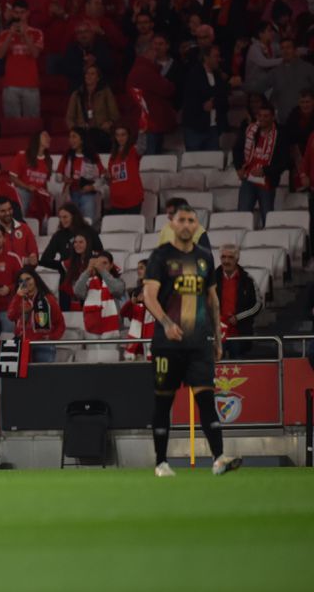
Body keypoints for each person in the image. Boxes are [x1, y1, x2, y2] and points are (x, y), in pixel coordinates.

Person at [142, 204, 239, 477]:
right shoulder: (160, 257)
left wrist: (218, 340)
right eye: (181, 220)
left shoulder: (205, 258)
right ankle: (161, 463)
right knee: (163, 401)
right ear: (172, 224)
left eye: (191, 220)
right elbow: (149, 295)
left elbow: (213, 301)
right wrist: (166, 323)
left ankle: (219, 459)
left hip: (199, 343)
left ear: (197, 226)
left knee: (207, 399)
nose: (186, 225)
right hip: (167, 343)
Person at [233, 100, 287, 223]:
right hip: (248, 178)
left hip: (267, 181)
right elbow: (236, 149)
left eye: (266, 116)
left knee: (267, 217)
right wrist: (238, 167)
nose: (262, 119)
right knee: (242, 216)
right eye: (260, 116)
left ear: (273, 117)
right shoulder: (250, 130)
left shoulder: (280, 134)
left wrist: (264, 170)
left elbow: (284, 162)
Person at [9, 266, 65, 363]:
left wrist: (52, 337)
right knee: (23, 378)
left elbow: (60, 324)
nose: (25, 283)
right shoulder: (18, 299)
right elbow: (11, 316)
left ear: (35, 279)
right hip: (22, 344)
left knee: (43, 376)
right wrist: (18, 297)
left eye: (28, 279)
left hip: (43, 344)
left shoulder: (49, 299)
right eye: (21, 281)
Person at [181, 46, 232, 151]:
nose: (219, 59)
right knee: (194, 162)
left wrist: (214, 103)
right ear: (206, 57)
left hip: (213, 128)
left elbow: (223, 100)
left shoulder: (218, 76)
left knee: (213, 162)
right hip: (195, 127)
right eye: (215, 56)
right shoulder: (194, 74)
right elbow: (189, 99)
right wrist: (201, 107)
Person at [214, 244, 260, 358]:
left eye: (230, 257)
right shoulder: (211, 280)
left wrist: (238, 317)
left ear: (237, 259)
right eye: (223, 257)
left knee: (240, 370)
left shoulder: (248, 280)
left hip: (240, 334)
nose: (226, 261)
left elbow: (257, 305)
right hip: (217, 335)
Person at [56, 128, 106, 224]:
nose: (71, 140)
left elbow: (103, 177)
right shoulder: (67, 155)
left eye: (74, 137)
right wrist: (64, 179)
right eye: (70, 137)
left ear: (82, 139)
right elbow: (58, 177)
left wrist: (92, 187)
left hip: (88, 194)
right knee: (71, 224)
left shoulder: (92, 156)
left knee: (87, 223)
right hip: (71, 194)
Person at [73, 250, 127, 338]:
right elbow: (77, 292)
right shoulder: (89, 282)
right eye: (99, 263)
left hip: (113, 330)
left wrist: (102, 271)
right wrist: (87, 270)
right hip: (91, 330)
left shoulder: (119, 281)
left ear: (111, 265)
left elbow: (116, 290)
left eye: (104, 263)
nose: (101, 266)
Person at [66, 65, 120, 152]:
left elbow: (115, 114)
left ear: (98, 78)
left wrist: (109, 123)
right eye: (87, 73)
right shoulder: (77, 94)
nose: (88, 76)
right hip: (83, 133)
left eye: (92, 74)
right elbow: (69, 118)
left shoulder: (106, 92)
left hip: (101, 132)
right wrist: (75, 131)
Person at [9, 131, 54, 220]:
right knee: (22, 193)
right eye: (45, 136)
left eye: (49, 136)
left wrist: (47, 192)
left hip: (38, 194)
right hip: (23, 191)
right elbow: (12, 177)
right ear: (37, 139)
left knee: (45, 202)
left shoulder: (48, 160)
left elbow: (44, 182)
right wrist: (27, 187)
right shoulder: (22, 155)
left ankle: (42, 230)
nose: (49, 139)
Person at [107, 127, 144, 215]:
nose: (120, 138)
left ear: (128, 136)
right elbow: (111, 179)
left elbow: (142, 147)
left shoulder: (133, 150)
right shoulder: (112, 156)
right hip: (116, 201)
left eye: (123, 134)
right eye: (118, 135)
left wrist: (142, 133)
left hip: (133, 199)